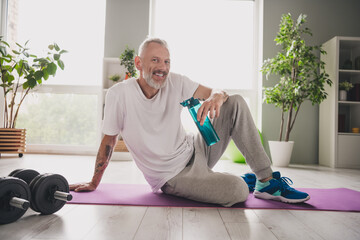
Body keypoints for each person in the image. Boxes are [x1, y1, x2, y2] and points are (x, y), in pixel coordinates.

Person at [70, 37, 309, 207]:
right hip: (173, 176)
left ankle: (265, 181)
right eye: (155, 60)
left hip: (196, 148)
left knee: (234, 101)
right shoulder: (119, 95)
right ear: (138, 63)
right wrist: (93, 182)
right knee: (236, 191)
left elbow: (216, 90)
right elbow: (109, 140)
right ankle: (243, 182)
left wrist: (217, 96)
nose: (162, 68)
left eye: (166, 61)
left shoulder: (175, 81)